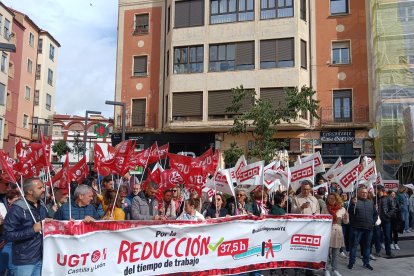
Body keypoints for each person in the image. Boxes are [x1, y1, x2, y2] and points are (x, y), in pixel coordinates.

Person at [3, 178, 49, 276]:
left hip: (41, 257)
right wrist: (32, 230)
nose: (44, 190)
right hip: (24, 260)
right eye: (40, 188)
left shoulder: (42, 205)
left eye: (43, 187)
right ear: (30, 191)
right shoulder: (17, 209)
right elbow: (8, 235)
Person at [347, 186, 377, 271]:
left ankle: (366, 263)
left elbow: (375, 214)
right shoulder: (355, 202)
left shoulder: (371, 202)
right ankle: (351, 263)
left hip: (368, 228)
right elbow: (350, 213)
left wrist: (373, 223)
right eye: (362, 192)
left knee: (367, 247)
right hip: (357, 228)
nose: (364, 194)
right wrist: (353, 204)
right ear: (359, 193)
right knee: (354, 247)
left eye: (365, 193)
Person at [326, 192, 349, 276]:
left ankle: (335, 269)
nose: (330, 200)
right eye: (329, 198)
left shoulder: (342, 209)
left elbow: (346, 222)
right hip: (327, 232)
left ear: (336, 199)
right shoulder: (325, 208)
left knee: (335, 253)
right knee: (327, 253)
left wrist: (346, 218)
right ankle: (326, 269)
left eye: (332, 198)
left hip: (337, 232)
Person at [379, 189, 398, 257]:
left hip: (386, 220)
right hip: (377, 220)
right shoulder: (375, 198)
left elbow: (393, 208)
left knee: (387, 236)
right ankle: (378, 251)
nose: (380, 192)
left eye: (381, 191)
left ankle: (388, 251)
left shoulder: (389, 198)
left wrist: (387, 215)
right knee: (377, 236)